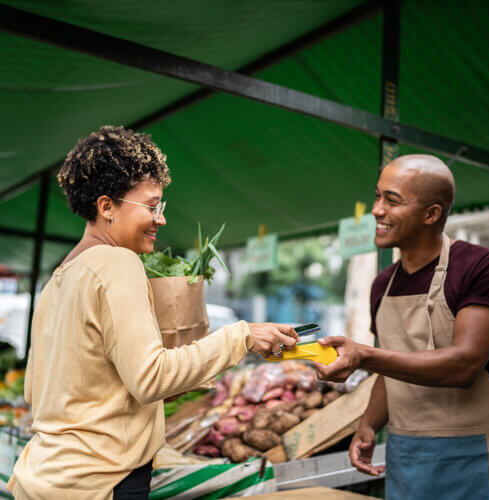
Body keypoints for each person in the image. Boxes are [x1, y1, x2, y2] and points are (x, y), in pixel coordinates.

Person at [7, 126, 298, 499]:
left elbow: (36, 391)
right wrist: (243, 336)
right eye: (151, 206)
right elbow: (149, 378)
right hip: (101, 481)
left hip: (44, 478)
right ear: (106, 207)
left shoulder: (58, 280)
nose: (160, 219)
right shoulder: (117, 263)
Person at [313, 155, 489, 499]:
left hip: (475, 458)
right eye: (378, 196)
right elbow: (391, 367)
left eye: (392, 200)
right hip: (405, 457)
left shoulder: (482, 268)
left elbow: (465, 365)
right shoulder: (381, 285)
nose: (376, 210)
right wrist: (369, 424)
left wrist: (364, 356)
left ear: (431, 214)